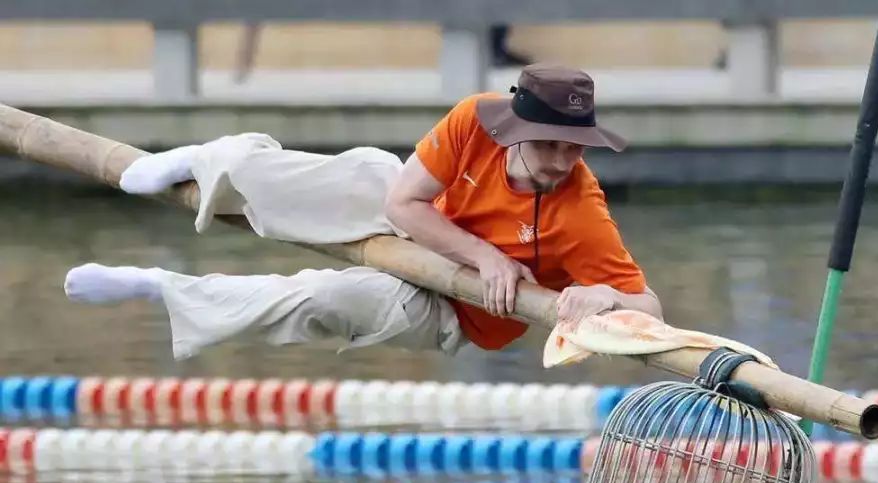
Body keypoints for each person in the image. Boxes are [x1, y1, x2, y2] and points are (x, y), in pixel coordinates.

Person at [63, 63, 662, 361]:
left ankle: (158, 288)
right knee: (307, 175)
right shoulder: (476, 116)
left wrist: (604, 297)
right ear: (514, 130)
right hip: (417, 218)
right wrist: (485, 255)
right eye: (548, 143)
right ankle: (205, 159)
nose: (562, 160)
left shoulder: (579, 209)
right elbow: (404, 200)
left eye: (574, 146)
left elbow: (650, 308)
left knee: (321, 299)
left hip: (453, 306)